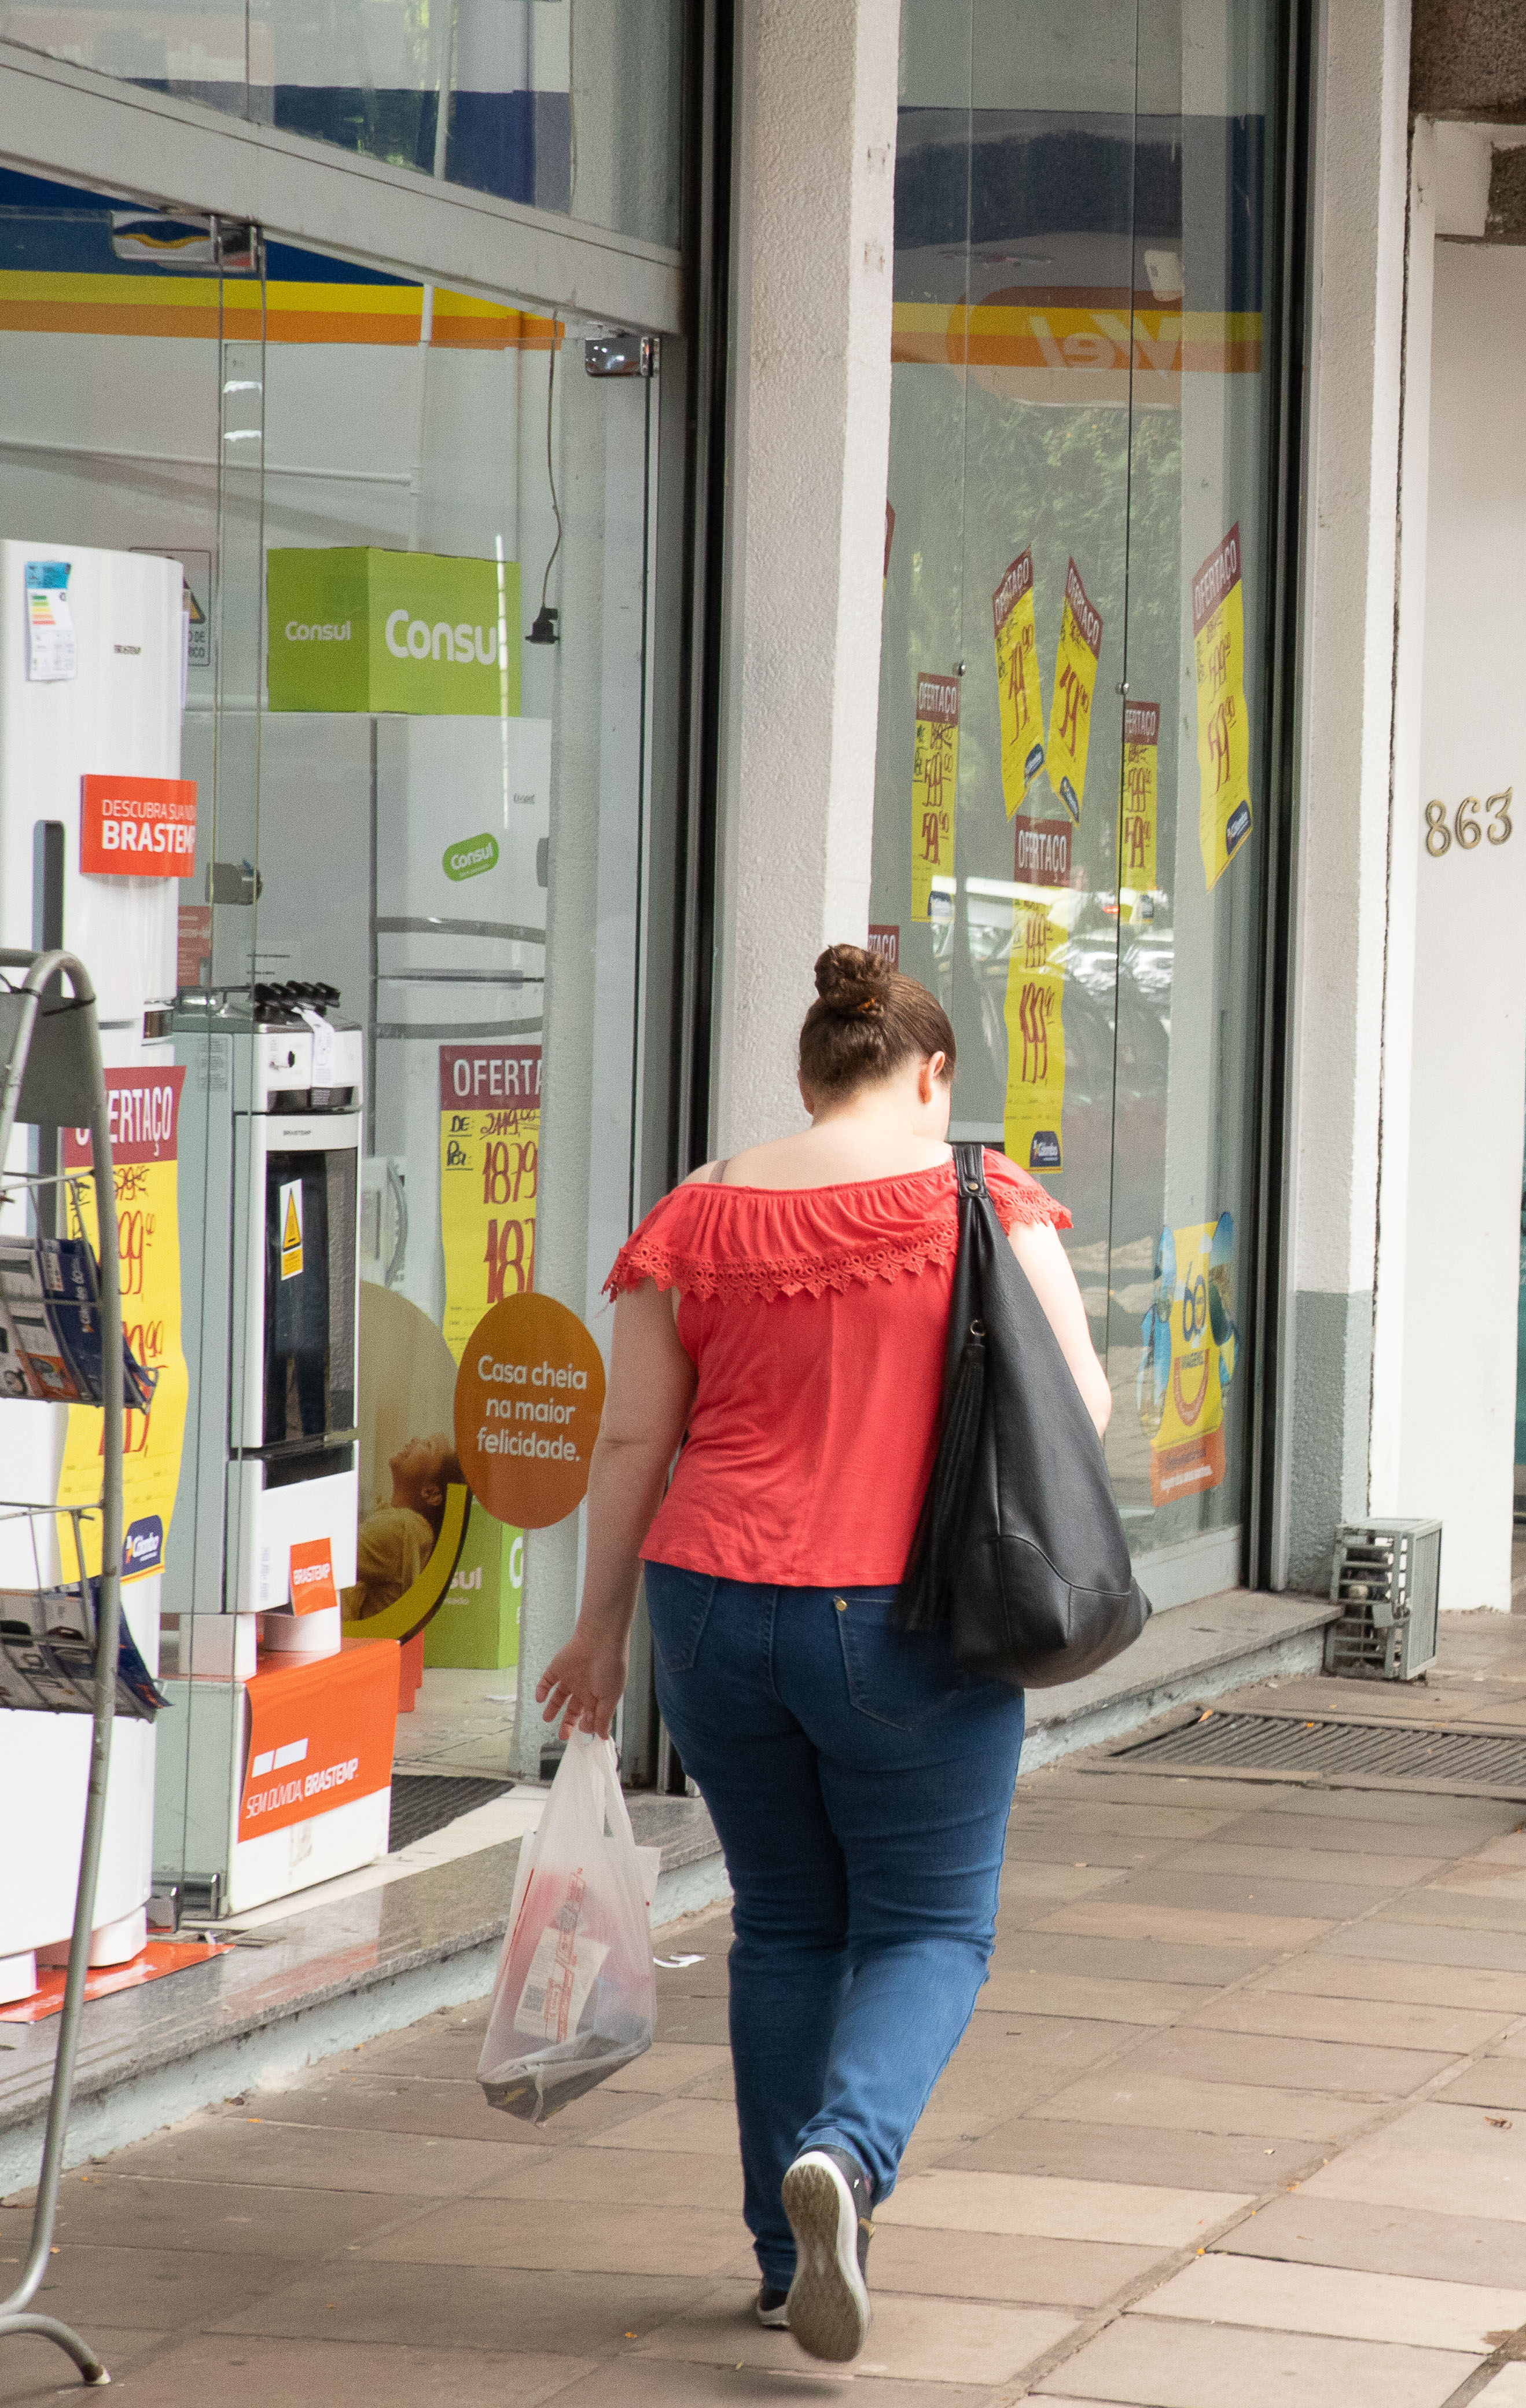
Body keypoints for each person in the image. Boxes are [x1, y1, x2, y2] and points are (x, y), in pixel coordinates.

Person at [535, 944, 1112, 2365]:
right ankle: (845, 2163)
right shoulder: (983, 1196)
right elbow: (1080, 1405)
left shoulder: (695, 1214)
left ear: (806, 1078)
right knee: (927, 1926)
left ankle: (772, 2248)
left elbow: (631, 1439)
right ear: (930, 1077)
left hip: (711, 1610)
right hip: (905, 1619)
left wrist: (598, 1629)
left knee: (787, 1921)